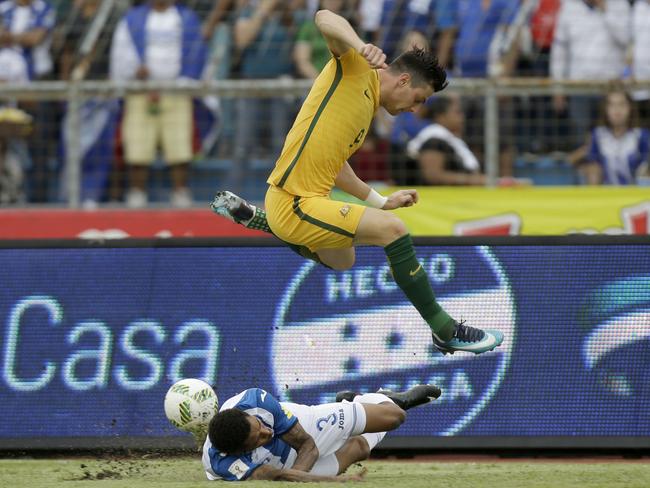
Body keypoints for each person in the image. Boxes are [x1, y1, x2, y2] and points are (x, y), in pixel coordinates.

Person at [212, 9, 503, 356]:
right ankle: (444, 328)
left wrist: (379, 201)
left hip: (310, 203)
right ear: (404, 81)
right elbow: (324, 17)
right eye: (419, 100)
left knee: (343, 260)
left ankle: (262, 221)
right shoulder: (356, 68)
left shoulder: (366, 111)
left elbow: (335, 167)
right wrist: (360, 45)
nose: (415, 109)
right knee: (393, 231)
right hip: (294, 201)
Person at [202, 384, 440, 481]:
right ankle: (349, 403)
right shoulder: (222, 464)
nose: (267, 432)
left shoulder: (255, 400)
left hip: (304, 427)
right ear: (240, 451)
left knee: (395, 417)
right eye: (260, 438)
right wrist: (332, 480)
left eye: (260, 424)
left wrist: (302, 478)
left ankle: (372, 398)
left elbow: (308, 446)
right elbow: (277, 476)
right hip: (285, 463)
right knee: (359, 448)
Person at [109, 0, 207, 208]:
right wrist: (133, 71)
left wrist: (186, 80)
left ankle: (180, 193)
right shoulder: (132, 18)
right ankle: (137, 193)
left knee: (180, 144)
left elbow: (196, 52)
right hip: (141, 90)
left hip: (176, 90)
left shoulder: (186, 19)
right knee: (137, 144)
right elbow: (120, 53)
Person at [406, 95, 485, 186]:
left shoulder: (451, 138)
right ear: (440, 116)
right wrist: (475, 180)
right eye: (457, 113)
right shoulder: (434, 138)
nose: (462, 117)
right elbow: (433, 176)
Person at [581, 87, 649, 186]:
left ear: (630, 108)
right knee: (592, 170)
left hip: (636, 194)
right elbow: (592, 164)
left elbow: (646, 167)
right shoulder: (598, 134)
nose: (617, 109)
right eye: (612, 105)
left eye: (622, 104)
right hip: (607, 195)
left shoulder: (641, 135)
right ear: (606, 109)